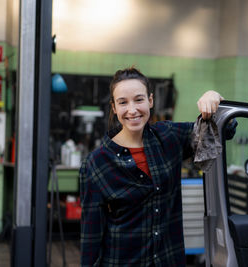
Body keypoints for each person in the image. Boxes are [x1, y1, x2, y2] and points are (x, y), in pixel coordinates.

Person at [80, 67, 225, 266]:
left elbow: (224, 130)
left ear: (150, 100)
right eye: (123, 102)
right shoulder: (96, 163)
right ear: (114, 108)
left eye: (139, 100)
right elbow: (91, 237)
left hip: (168, 259)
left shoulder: (169, 136)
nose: (132, 110)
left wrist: (214, 99)